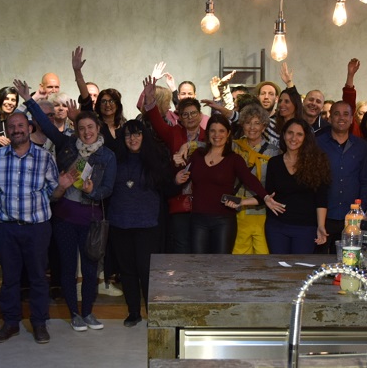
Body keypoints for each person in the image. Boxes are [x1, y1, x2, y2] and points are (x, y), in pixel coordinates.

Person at [15, 77, 117, 333]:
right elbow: (48, 127)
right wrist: (28, 100)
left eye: (90, 127)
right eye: (81, 128)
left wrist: (93, 191)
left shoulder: (107, 156)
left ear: (98, 128)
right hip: (65, 218)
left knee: (90, 270)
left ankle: (88, 311)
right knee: (68, 268)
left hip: (91, 219)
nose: (86, 132)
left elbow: (108, 189)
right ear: (76, 129)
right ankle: (74, 313)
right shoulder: (68, 145)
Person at [0, 112, 69, 344]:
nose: (16, 129)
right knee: (9, 279)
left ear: (29, 128)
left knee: (38, 278)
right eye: (12, 126)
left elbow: (53, 195)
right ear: (7, 131)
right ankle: (10, 323)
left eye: (20, 125)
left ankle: (39, 323)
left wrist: (63, 187)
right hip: (6, 229)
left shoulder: (44, 157)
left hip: (37, 228)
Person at [175, 114, 284, 254]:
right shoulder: (197, 155)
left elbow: (250, 180)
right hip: (198, 219)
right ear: (207, 133)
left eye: (221, 131)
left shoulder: (234, 159)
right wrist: (177, 173)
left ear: (228, 134)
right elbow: (182, 176)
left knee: (221, 263)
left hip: (224, 220)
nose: (217, 135)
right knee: (199, 262)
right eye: (213, 130)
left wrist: (266, 197)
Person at [109, 120, 171, 327]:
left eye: (137, 134)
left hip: (147, 225)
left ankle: (152, 314)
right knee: (127, 271)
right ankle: (133, 312)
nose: (132, 139)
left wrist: (177, 180)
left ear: (144, 136)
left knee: (146, 271)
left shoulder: (155, 160)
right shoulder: (115, 159)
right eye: (128, 135)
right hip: (120, 223)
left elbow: (168, 188)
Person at [142, 73, 207, 254]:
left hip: (204, 201)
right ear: (180, 118)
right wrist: (150, 100)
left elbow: (216, 148)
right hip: (179, 201)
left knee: (201, 249)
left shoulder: (209, 135)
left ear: (200, 115)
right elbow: (156, 121)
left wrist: (192, 146)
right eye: (185, 114)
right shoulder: (174, 133)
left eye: (193, 113)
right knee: (181, 247)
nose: (190, 117)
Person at [264, 118, 330, 254]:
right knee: (278, 265)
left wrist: (321, 226)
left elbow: (321, 198)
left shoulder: (317, 163)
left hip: (305, 228)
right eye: (290, 133)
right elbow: (268, 194)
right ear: (283, 135)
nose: (294, 138)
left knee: (300, 266)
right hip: (277, 227)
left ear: (306, 138)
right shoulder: (274, 163)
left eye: (299, 134)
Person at [315, 101, 367, 254]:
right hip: (323, 216)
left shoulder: (361, 146)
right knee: (319, 260)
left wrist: (361, 211)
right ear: (330, 117)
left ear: (352, 119)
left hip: (351, 217)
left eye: (346, 114)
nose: (341, 118)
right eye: (336, 114)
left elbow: (365, 181)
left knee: (348, 259)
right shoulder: (317, 143)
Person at [231, 104, 280, 254]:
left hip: (263, 211)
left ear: (264, 127)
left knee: (262, 256)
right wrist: (188, 146)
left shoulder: (274, 152)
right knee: (238, 254)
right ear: (242, 125)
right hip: (237, 209)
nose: (252, 127)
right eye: (247, 122)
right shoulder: (233, 147)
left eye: (257, 123)